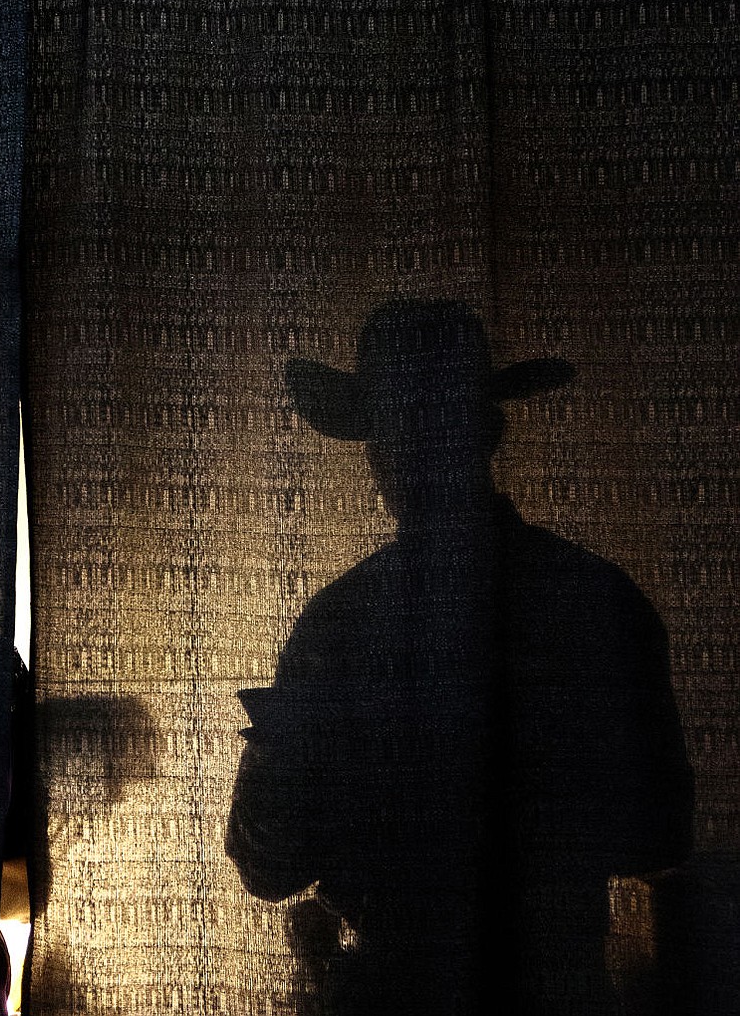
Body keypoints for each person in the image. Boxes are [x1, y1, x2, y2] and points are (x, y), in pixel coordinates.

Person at [226, 299, 693, 1015]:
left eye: (408, 432)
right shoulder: (597, 600)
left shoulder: (342, 623)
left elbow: (268, 860)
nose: (399, 455)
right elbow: (660, 830)